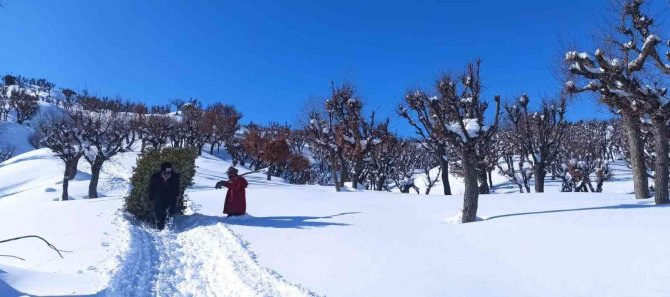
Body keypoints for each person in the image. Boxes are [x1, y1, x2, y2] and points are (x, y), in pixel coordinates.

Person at [148, 162, 181, 230]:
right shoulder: (155, 177)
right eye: (164, 173)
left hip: (170, 197)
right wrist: (151, 197)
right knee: (159, 213)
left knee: (171, 209)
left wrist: (177, 194)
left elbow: (177, 187)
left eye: (169, 173)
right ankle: (159, 226)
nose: (167, 175)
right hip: (159, 197)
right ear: (161, 172)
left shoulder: (175, 178)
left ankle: (169, 222)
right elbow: (152, 188)